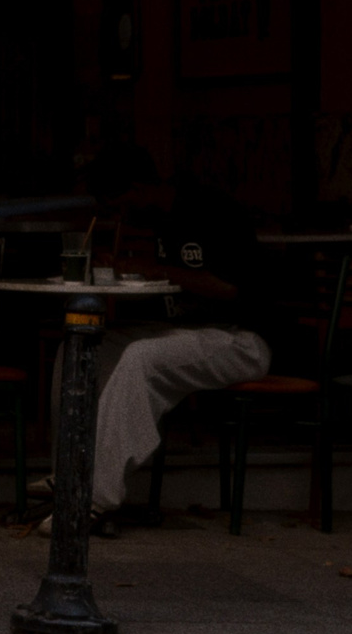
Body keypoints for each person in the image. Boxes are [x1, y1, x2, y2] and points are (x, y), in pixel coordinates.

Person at [41, 166, 272, 534]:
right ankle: (68, 474)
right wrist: (123, 271)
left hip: (240, 339)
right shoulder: (165, 219)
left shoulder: (214, 211)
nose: (120, 215)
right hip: (185, 331)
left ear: (138, 187)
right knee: (82, 346)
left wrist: (151, 268)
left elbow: (229, 288)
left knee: (142, 357)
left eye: (120, 204)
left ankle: (94, 498)